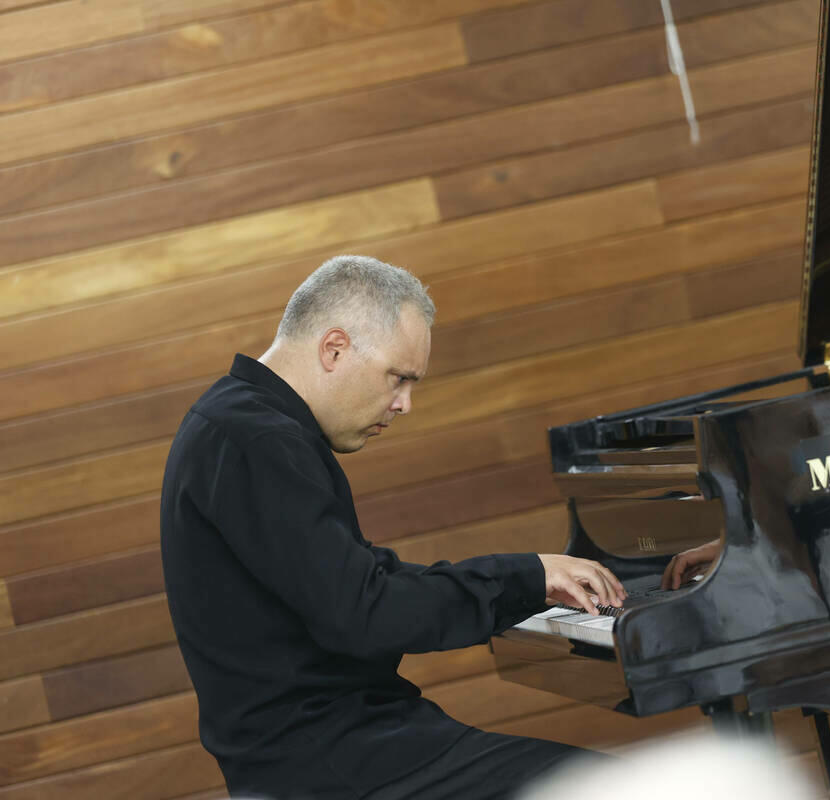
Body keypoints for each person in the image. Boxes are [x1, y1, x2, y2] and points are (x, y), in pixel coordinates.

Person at [159, 255, 625, 800]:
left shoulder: (240, 424)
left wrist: (525, 581)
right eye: (398, 378)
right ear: (334, 348)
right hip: (340, 766)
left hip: (344, 753)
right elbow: (364, 612)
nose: (404, 404)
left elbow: (358, 583)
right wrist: (523, 578)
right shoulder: (258, 441)